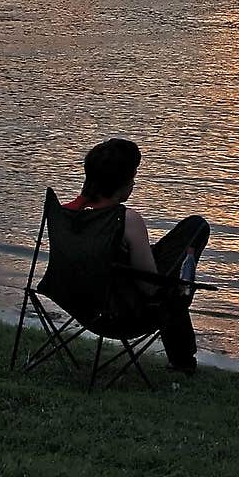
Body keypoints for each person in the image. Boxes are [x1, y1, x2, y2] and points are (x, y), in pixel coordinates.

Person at [64, 137, 210, 375]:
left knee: (156, 260)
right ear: (123, 183)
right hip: (122, 313)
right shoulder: (127, 220)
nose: (133, 183)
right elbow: (150, 288)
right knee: (196, 228)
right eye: (133, 177)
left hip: (81, 305)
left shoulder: (68, 216)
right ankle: (182, 359)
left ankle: (182, 356)